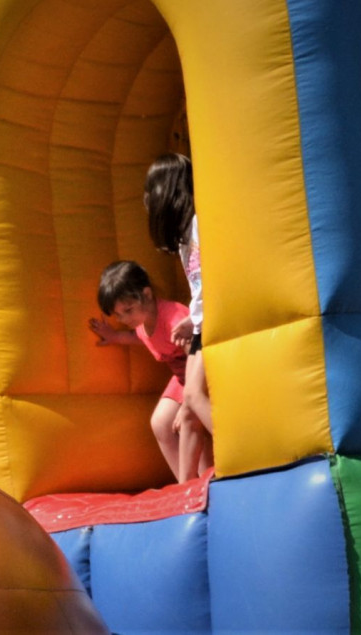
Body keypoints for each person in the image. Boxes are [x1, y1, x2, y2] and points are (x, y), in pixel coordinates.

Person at [89, 260, 209, 483]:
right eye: (119, 315)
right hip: (181, 376)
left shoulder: (172, 318)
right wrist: (115, 337)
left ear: (147, 294)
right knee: (160, 423)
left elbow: (196, 353)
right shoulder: (143, 322)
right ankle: (186, 485)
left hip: (201, 373)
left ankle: (205, 477)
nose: (125, 319)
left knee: (188, 421)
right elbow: (140, 337)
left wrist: (187, 404)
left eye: (128, 310)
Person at [142, 153, 214, 481]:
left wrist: (199, 316)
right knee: (187, 413)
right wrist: (192, 317)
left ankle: (246, 458)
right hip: (201, 324)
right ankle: (186, 489)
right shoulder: (185, 237)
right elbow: (201, 286)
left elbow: (214, 279)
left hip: (212, 327)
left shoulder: (199, 224)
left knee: (193, 399)